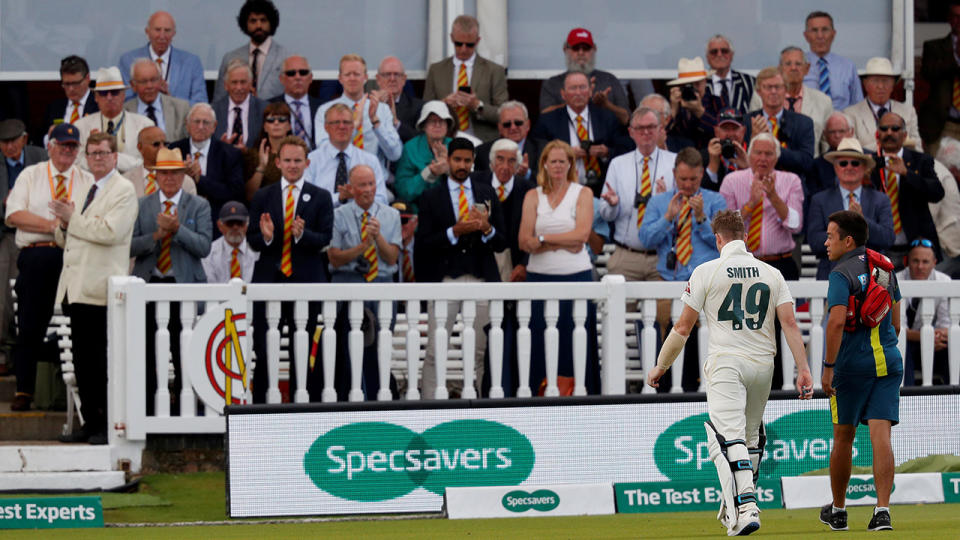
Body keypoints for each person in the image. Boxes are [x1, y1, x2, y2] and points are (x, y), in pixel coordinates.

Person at [647, 209, 813, 537]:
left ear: (717, 238)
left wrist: (661, 365)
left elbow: (683, 327)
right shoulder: (771, 272)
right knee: (750, 438)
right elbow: (790, 323)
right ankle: (732, 502)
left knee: (725, 436)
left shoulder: (707, 270)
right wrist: (804, 369)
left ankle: (746, 506)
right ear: (746, 237)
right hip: (764, 364)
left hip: (726, 362)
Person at [51, 132, 137, 444]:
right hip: (76, 285)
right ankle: (89, 422)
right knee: (82, 361)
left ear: (115, 156)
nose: (97, 158)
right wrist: (62, 224)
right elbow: (68, 239)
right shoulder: (87, 186)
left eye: (103, 153)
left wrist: (71, 218)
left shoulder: (124, 190)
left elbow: (110, 232)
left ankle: (104, 424)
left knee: (99, 361)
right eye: (92, 153)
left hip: (100, 288)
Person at [820, 210, 900, 532]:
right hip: (888, 361)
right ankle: (882, 511)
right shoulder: (884, 266)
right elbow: (894, 316)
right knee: (881, 436)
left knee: (843, 436)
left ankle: (839, 510)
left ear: (847, 240)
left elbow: (837, 321)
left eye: (830, 236)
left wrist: (827, 368)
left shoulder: (841, 274)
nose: (825, 243)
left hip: (851, 366)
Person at [4, 124, 92, 411]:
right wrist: (54, 227)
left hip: (75, 257)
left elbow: (90, 220)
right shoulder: (31, 174)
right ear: (50, 146)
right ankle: (24, 390)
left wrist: (67, 228)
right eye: (62, 145)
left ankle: (87, 386)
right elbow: (14, 215)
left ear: (78, 150)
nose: (67, 150)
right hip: (38, 256)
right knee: (30, 324)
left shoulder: (87, 179)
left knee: (82, 322)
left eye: (72, 146)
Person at [415, 137, 506, 399]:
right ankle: (429, 404)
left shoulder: (487, 193)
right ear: (448, 160)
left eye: (467, 160)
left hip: (481, 279)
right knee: (435, 349)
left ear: (473, 162)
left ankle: (483, 403)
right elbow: (423, 244)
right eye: (457, 160)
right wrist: (454, 231)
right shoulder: (432, 196)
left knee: (480, 349)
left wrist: (486, 228)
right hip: (445, 279)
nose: (462, 165)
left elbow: (502, 241)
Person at [247, 136, 333, 403]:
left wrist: (302, 235)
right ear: (277, 162)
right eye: (287, 160)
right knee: (263, 348)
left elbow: (325, 238)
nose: (293, 165)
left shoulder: (320, 196)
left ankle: (303, 403)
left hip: (306, 281)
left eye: (298, 160)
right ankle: (261, 406)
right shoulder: (263, 195)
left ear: (307, 163)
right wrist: (268, 237)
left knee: (304, 346)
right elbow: (252, 239)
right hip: (269, 281)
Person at [130, 147, 212, 415]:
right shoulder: (142, 205)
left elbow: (204, 246)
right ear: (155, 176)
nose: (169, 178)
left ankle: (185, 405)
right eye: (164, 173)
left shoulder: (198, 204)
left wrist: (177, 230)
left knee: (183, 349)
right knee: (148, 349)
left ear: (182, 176)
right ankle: (150, 406)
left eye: (175, 173)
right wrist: (156, 236)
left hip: (183, 286)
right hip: (150, 285)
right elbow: (128, 246)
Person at [517, 140, 599, 395]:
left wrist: (543, 241)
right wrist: (562, 240)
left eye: (563, 161)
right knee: (540, 338)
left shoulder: (582, 193)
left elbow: (582, 236)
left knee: (576, 338)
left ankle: (580, 393)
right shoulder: (533, 195)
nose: (558, 166)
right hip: (539, 278)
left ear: (570, 164)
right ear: (544, 164)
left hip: (576, 277)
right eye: (553, 161)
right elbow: (524, 240)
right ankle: (540, 392)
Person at [327, 164, 401, 400]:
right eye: (362, 185)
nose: (368, 190)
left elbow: (391, 257)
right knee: (348, 347)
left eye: (371, 184)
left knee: (380, 345)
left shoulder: (391, 215)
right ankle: (351, 397)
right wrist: (361, 247)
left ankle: (381, 396)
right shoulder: (338, 215)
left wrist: (377, 236)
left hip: (381, 284)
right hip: (349, 283)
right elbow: (335, 259)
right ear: (351, 188)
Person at [598, 107, 676, 325]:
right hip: (626, 254)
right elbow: (605, 213)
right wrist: (612, 205)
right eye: (640, 128)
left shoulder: (674, 163)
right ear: (631, 132)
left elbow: (682, 213)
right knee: (617, 321)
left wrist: (662, 203)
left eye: (651, 127)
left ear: (660, 130)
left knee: (663, 322)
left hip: (661, 255)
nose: (646, 133)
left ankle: (659, 361)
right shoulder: (618, 164)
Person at [807, 138, 894, 280]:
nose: (849, 167)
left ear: (864, 167)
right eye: (843, 163)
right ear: (835, 167)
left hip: (872, 279)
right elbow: (815, 242)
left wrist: (862, 221)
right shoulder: (819, 200)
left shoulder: (881, 199)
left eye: (855, 163)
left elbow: (888, 238)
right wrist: (845, 231)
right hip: (831, 277)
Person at [720, 133, 804, 279]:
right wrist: (751, 203)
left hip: (781, 263)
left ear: (776, 158)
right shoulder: (731, 181)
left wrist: (773, 197)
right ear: (749, 155)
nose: (763, 158)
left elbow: (795, 225)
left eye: (769, 154)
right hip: (740, 264)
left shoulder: (791, 180)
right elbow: (725, 228)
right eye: (758, 153)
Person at [531, 71, 630, 193]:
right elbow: (540, 156)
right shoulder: (548, 121)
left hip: (603, 190)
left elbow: (624, 149)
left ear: (590, 92)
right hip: (563, 189)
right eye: (573, 88)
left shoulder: (607, 117)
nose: (578, 93)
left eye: (582, 87)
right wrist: (567, 154)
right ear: (563, 94)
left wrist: (606, 152)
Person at [639, 148, 727, 281]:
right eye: (683, 179)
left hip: (706, 281)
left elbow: (725, 243)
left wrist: (702, 218)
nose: (688, 184)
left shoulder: (716, 200)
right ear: (674, 173)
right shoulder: (658, 201)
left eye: (693, 179)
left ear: (702, 173)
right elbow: (646, 240)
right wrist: (667, 218)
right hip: (668, 280)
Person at [0, 120, 46, 373]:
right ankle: (6, 351)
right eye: (4, 143)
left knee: (32, 293)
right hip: (6, 233)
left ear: (24, 138)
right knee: (4, 298)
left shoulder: (40, 156)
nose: (9, 147)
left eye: (13, 141)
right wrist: (6, 204)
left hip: (37, 231)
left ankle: (31, 354)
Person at [868, 112, 944, 265]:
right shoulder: (869, 162)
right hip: (879, 248)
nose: (889, 133)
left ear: (904, 135)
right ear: (877, 134)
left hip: (914, 247)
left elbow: (937, 193)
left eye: (895, 129)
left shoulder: (920, 160)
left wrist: (907, 173)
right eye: (884, 128)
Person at [422, 15, 508, 142]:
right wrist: (443, 104)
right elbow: (425, 109)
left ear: (478, 41)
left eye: (469, 45)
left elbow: (503, 114)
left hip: (481, 140)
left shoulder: (494, 71)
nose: (463, 49)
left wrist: (477, 105)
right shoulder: (436, 70)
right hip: (445, 138)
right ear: (451, 38)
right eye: (458, 44)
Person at [313, 55, 403, 169]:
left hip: (373, 180)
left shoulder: (382, 109)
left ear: (365, 77)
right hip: (339, 178)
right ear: (340, 78)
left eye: (356, 74)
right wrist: (353, 125)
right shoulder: (325, 110)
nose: (352, 78)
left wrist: (376, 123)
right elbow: (324, 151)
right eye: (347, 74)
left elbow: (395, 154)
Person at [170, 103, 245, 233]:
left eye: (206, 122)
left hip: (215, 221)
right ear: (187, 125)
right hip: (179, 218)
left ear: (214, 126)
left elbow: (235, 193)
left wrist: (200, 179)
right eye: (196, 122)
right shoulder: (174, 150)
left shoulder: (230, 154)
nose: (200, 126)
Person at [748, 46, 833, 157]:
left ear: (807, 69)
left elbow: (827, 144)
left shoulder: (823, 101)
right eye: (788, 64)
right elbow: (752, 132)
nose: (793, 68)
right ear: (779, 69)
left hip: (807, 168)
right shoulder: (760, 97)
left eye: (798, 64)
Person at [303, 104, 389, 207]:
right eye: (336, 122)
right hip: (322, 220)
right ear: (326, 127)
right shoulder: (311, 160)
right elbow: (306, 198)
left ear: (353, 126)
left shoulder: (370, 160)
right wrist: (339, 197)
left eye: (346, 122)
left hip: (360, 220)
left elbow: (382, 201)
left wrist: (359, 196)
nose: (342, 127)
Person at [539, 27, 630, 125]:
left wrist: (606, 105)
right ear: (565, 49)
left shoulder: (609, 80)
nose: (581, 52)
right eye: (575, 48)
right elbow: (544, 117)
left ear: (594, 49)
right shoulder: (553, 83)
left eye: (586, 48)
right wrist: (575, 101)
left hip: (604, 139)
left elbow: (626, 119)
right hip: (564, 139)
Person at [74, 67, 155, 174]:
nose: (109, 97)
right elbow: (76, 163)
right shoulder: (81, 126)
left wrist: (113, 159)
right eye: (103, 93)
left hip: (134, 185)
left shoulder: (144, 125)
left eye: (114, 92)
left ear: (123, 95)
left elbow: (148, 163)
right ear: (96, 97)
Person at [117, 10, 208, 105]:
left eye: (167, 30)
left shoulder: (191, 62)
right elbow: (124, 100)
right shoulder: (129, 60)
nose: (162, 36)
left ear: (174, 33)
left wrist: (170, 99)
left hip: (178, 119)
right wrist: (149, 94)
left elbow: (200, 103)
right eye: (157, 30)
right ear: (147, 32)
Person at [896, 238, 950, 386]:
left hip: (933, 342)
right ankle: (908, 399)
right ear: (907, 261)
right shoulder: (896, 280)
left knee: (950, 347)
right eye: (915, 261)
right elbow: (899, 330)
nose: (920, 266)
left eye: (925, 262)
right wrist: (927, 336)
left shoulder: (944, 281)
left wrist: (935, 337)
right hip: (907, 342)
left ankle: (953, 397)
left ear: (934, 262)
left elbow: (946, 324)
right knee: (900, 347)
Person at [745, 67, 815, 180]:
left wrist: (772, 144)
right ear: (759, 92)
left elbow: (806, 162)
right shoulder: (747, 122)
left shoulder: (803, 123)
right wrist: (754, 140)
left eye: (778, 87)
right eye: (768, 87)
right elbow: (740, 161)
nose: (773, 91)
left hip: (790, 185)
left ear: (786, 90)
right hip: (754, 183)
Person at [214, 0, 288, 102]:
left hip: (273, 115)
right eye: (253, 21)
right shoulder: (230, 57)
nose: (258, 26)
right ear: (245, 24)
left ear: (271, 23)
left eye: (263, 20)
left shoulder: (285, 57)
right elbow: (219, 100)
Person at [844, 57, 922, 152]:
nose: (880, 86)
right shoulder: (851, 114)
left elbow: (917, 148)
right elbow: (852, 150)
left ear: (893, 85)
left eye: (885, 81)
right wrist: (891, 142)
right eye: (875, 81)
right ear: (865, 84)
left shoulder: (908, 112)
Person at [393, 101, 454, 209]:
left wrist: (448, 169)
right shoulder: (410, 148)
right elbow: (403, 190)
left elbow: (468, 184)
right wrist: (429, 172)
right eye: (432, 121)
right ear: (423, 125)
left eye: (442, 121)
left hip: (451, 207)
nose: (437, 125)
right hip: (419, 208)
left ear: (447, 125)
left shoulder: (456, 146)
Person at [918, 0, 960, 156]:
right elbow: (928, 73)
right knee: (938, 174)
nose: (959, 21)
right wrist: (956, 57)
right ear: (949, 19)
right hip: (943, 124)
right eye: (955, 17)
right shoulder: (934, 47)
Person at [802, 11, 864, 110]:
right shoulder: (797, 66)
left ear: (833, 34)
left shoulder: (847, 66)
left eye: (825, 30)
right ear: (806, 36)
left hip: (841, 122)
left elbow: (858, 105)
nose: (820, 36)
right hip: (808, 123)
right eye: (814, 30)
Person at [473, 101, 545, 180]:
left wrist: (527, 174)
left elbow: (549, 183)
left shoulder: (543, 149)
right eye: (507, 124)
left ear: (528, 125)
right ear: (499, 128)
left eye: (518, 123)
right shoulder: (482, 152)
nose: (513, 127)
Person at [124, 58, 190, 141]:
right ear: (133, 85)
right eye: (144, 82)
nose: (149, 86)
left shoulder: (181, 109)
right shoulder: (124, 112)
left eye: (153, 80)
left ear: (161, 81)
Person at [666, 57, 724, 150]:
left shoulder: (717, 102)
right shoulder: (678, 105)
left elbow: (725, 133)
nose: (693, 89)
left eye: (697, 84)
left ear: (705, 82)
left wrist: (700, 112)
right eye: (688, 85)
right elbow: (665, 138)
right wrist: (673, 111)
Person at [41, 56, 99, 144]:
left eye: (76, 83)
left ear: (87, 79)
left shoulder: (98, 104)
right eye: (67, 84)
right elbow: (39, 141)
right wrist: (49, 136)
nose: (71, 89)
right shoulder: (55, 107)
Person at [127, 126, 197, 198]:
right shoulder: (126, 180)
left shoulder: (185, 182)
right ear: (140, 147)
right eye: (156, 144)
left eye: (165, 144)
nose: (162, 148)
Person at [267, 55, 321, 148]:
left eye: (303, 72)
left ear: (311, 77)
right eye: (291, 73)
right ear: (281, 79)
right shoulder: (268, 106)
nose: (298, 77)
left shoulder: (323, 107)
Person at [213, 60, 267, 150]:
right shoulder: (214, 111)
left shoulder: (264, 109)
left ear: (250, 84)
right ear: (226, 85)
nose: (239, 87)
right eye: (234, 82)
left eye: (243, 82)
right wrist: (222, 148)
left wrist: (247, 153)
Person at [243, 101, 291, 200]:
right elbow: (249, 196)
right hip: (264, 207)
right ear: (265, 127)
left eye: (282, 119)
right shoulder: (253, 155)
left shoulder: (300, 154)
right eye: (271, 120)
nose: (276, 123)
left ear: (289, 126)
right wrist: (261, 167)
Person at [202, 201, 258, 283]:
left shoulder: (257, 251)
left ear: (247, 225)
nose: (235, 227)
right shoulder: (209, 253)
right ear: (219, 226)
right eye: (230, 223)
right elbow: (211, 288)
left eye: (240, 223)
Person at [371, 56, 423, 144]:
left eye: (397, 74)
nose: (392, 79)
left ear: (404, 79)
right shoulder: (366, 105)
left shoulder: (418, 107)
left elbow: (421, 141)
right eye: (387, 74)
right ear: (378, 79)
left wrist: (396, 123)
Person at [807, 112, 856, 199]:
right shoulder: (816, 165)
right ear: (825, 135)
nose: (837, 136)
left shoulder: (866, 158)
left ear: (851, 132)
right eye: (832, 132)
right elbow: (815, 199)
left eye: (841, 131)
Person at [703, 35, 755, 116]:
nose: (719, 55)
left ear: (732, 55)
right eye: (714, 52)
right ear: (707, 57)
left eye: (724, 51)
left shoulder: (749, 82)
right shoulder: (700, 83)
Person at [701, 107, 748, 191]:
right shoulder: (703, 156)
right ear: (716, 132)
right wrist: (712, 166)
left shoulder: (753, 153)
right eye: (725, 129)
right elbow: (702, 192)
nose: (730, 134)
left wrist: (747, 168)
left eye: (735, 128)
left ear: (743, 131)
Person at [933, 137, 960, 278]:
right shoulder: (939, 174)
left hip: (949, 247)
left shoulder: (937, 170)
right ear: (954, 169)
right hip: (947, 246)